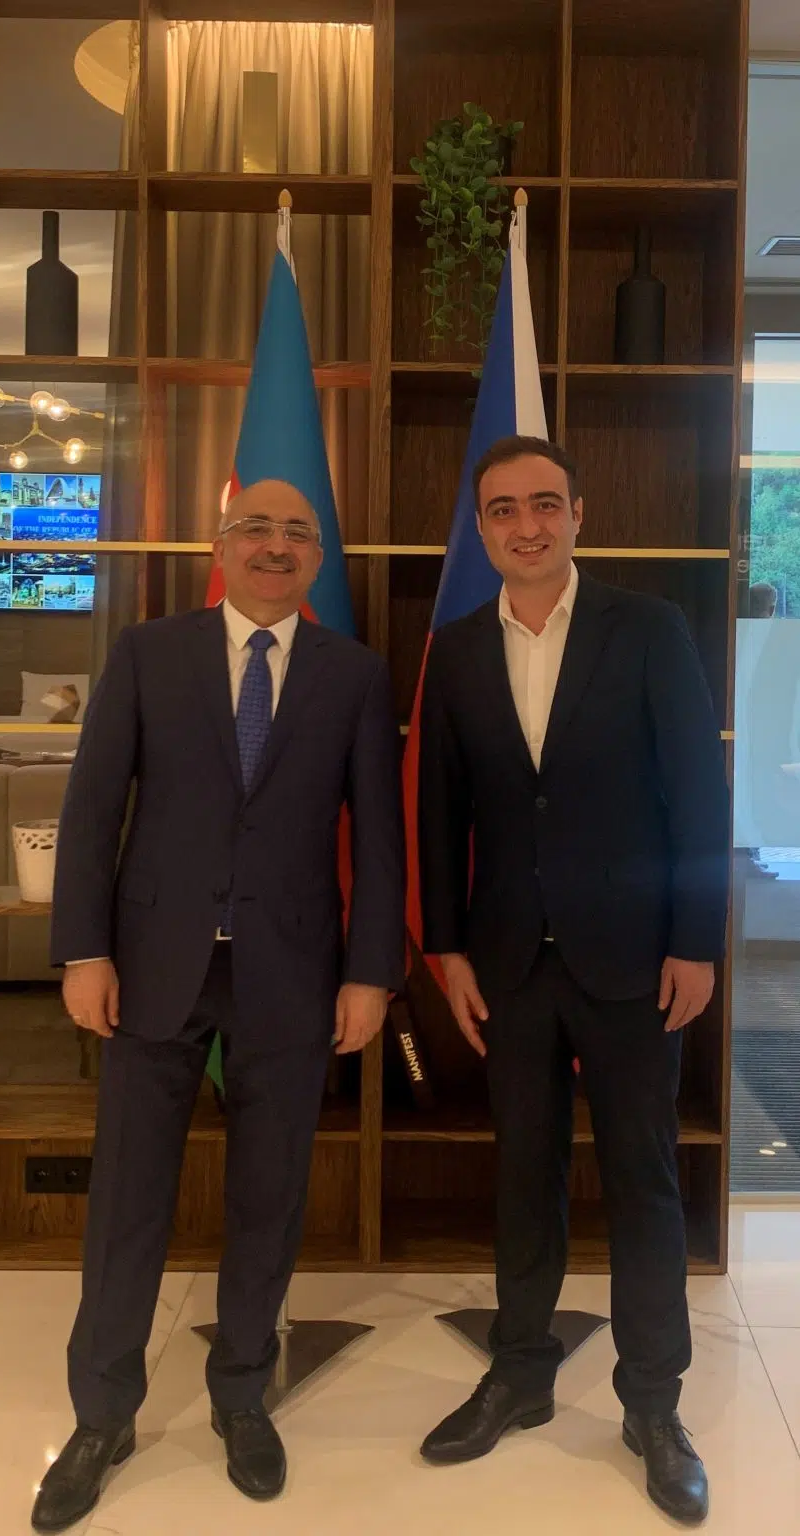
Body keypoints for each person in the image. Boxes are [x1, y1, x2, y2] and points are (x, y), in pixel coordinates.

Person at [33, 478, 405, 1533]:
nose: (275, 547)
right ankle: (102, 1415)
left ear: (317, 557)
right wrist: (83, 951)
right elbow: (93, 805)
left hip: (292, 973)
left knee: (269, 1197)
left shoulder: (352, 674)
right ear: (220, 546)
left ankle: (242, 1394)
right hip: (153, 965)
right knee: (127, 1200)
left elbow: (379, 837)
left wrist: (370, 974)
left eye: (296, 533)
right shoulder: (148, 653)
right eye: (256, 529)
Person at [417, 436, 729, 1526]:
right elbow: (440, 808)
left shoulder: (647, 629)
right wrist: (445, 948)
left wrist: (695, 940)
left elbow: (697, 790)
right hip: (508, 961)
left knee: (643, 1181)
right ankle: (519, 1371)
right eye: (503, 509)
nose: (526, 525)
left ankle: (652, 1404)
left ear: (578, 514)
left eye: (544, 504)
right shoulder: (457, 648)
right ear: (481, 528)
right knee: (523, 1175)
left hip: (636, 959)